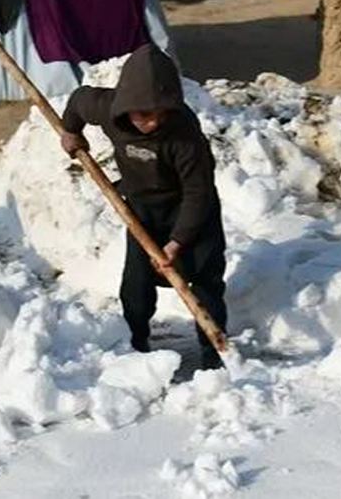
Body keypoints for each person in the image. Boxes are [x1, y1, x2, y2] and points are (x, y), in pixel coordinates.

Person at [59, 44, 227, 369]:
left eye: (161, 114)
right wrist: (70, 132)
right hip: (142, 210)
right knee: (135, 285)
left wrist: (176, 243)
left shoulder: (184, 135)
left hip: (190, 209)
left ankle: (213, 356)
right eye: (144, 115)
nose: (153, 122)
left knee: (205, 281)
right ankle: (136, 350)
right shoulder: (108, 108)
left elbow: (198, 192)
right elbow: (80, 101)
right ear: (126, 107)